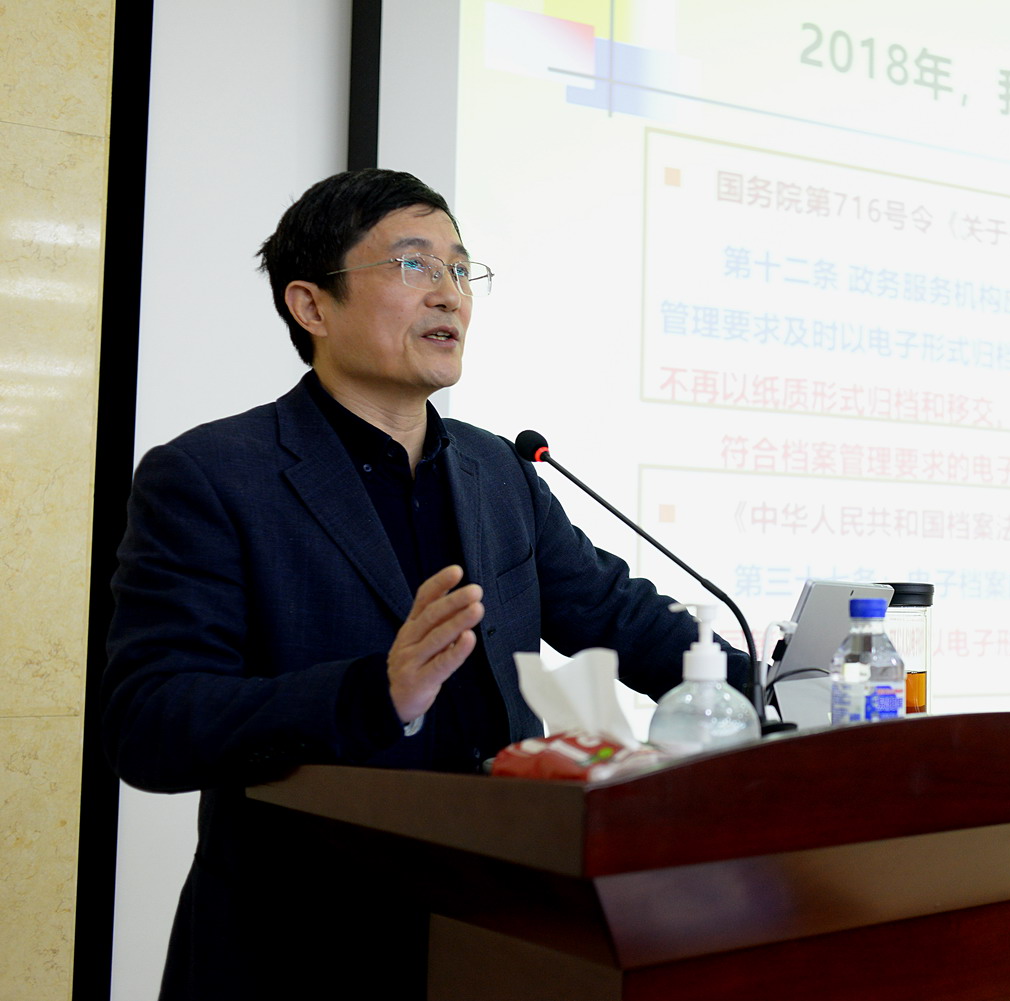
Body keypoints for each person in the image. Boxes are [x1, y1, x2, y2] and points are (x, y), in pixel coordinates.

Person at [102, 168, 749, 1000]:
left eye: (460, 268)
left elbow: (616, 615)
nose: (449, 294)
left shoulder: (498, 470)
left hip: (497, 933)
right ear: (311, 305)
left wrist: (779, 691)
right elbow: (151, 722)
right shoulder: (212, 476)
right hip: (300, 947)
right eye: (413, 265)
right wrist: (374, 692)